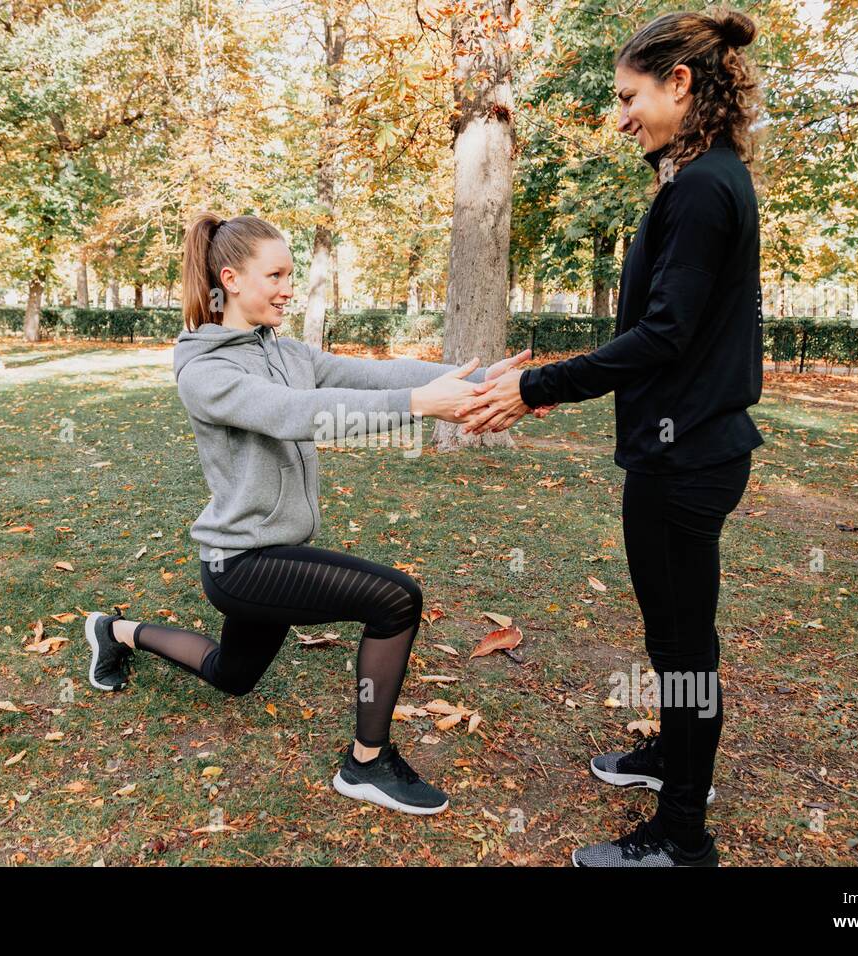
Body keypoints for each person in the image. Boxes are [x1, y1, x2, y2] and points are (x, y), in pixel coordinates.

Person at [83, 212, 532, 816]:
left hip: (272, 552)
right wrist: (423, 405)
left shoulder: (282, 350)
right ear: (231, 278)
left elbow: (369, 374)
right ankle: (367, 764)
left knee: (232, 675)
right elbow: (303, 413)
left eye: (289, 274)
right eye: (276, 275)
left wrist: (478, 382)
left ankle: (112, 631)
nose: (288, 287)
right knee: (395, 599)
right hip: (242, 562)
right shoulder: (206, 371)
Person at [460, 8, 764, 866]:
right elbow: (667, 331)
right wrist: (552, 383)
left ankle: (681, 838)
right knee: (673, 637)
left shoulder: (704, 187)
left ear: (681, 85)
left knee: (684, 647)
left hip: (688, 456)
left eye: (630, 96)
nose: (621, 114)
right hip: (683, 447)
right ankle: (673, 759)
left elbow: (664, 335)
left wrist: (535, 387)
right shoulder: (698, 177)